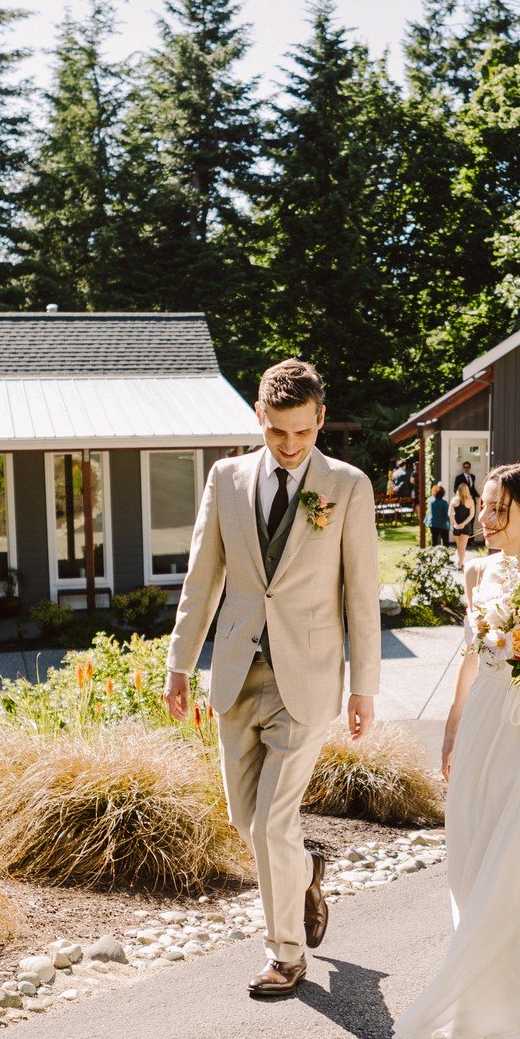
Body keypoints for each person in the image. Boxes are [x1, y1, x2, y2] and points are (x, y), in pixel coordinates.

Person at [165, 358, 382, 998]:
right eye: (277, 432)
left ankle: (285, 954)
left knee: (269, 824)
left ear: (320, 418)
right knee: (246, 821)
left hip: (308, 679)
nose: (289, 447)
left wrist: (364, 685)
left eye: (303, 433)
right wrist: (180, 662)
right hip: (236, 672)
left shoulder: (348, 486)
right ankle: (307, 870)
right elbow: (202, 578)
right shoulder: (226, 479)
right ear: (260, 417)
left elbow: (362, 593)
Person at [393, 463, 520, 1039]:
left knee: (515, 860)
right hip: (481, 729)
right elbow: (472, 660)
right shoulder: (476, 572)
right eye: (485, 507)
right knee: (474, 858)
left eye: (498, 508)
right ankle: (508, 959)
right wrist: (451, 729)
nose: (486, 518)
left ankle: (495, 1008)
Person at [450, 480, 477, 570]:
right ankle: (460, 564)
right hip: (465, 526)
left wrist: (455, 524)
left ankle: (460, 563)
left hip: (456, 527)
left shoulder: (454, 500)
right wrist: (464, 523)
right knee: (463, 546)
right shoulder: (470, 501)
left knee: (459, 546)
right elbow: (472, 514)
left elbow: (449, 514)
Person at [426, 483, 452, 549]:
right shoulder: (444, 503)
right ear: (443, 493)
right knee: (445, 542)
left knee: (434, 541)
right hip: (443, 524)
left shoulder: (430, 501)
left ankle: (432, 556)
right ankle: (446, 556)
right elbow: (446, 514)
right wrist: (449, 524)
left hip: (433, 524)